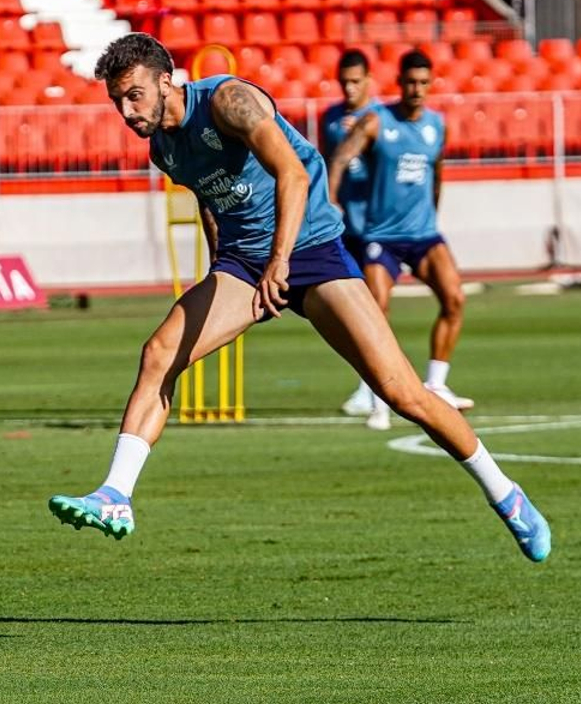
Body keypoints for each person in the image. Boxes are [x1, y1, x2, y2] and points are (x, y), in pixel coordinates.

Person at [47, 33, 550, 564]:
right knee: (158, 354)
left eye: (135, 96)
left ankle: (505, 493)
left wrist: (281, 260)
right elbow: (208, 198)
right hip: (244, 264)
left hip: (310, 249)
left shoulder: (228, 101)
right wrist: (225, 269)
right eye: (117, 101)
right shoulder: (163, 149)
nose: (127, 112)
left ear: (166, 81)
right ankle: (116, 495)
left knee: (402, 392)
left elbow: (290, 172)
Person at [328, 49, 474, 432]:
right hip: (382, 236)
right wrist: (330, 198)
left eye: (424, 82)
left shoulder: (437, 126)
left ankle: (436, 384)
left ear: (431, 83)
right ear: (399, 82)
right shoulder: (378, 121)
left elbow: (437, 171)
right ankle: (380, 399)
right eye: (411, 82)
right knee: (376, 313)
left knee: (455, 299)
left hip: (423, 233)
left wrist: (433, 213)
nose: (417, 89)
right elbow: (342, 156)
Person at [317, 50, 383, 421]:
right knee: (349, 311)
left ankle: (376, 387)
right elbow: (326, 164)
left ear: (368, 80)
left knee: (373, 306)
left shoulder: (379, 120)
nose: (349, 87)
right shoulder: (330, 119)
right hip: (343, 226)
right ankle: (368, 384)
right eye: (344, 81)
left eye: (356, 81)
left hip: (376, 225)